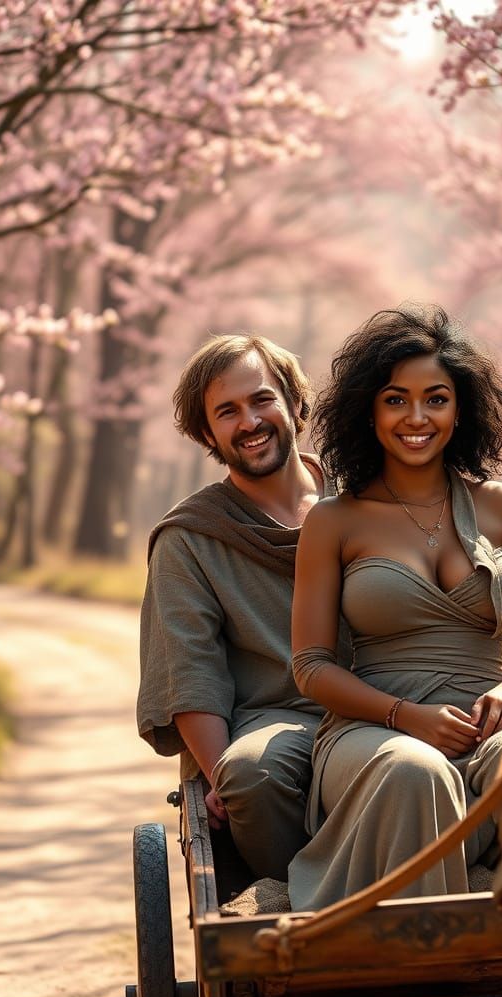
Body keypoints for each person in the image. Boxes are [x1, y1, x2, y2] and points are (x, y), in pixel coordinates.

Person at [288, 304, 502, 936]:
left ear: (461, 408)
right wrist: (405, 718)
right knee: (417, 771)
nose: (417, 418)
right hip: (372, 735)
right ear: (370, 410)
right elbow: (309, 666)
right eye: (396, 400)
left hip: (482, 723)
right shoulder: (334, 520)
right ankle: (420, 991)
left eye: (435, 399)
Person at [137, 333, 346, 882]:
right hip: (270, 722)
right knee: (251, 774)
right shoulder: (190, 538)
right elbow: (189, 669)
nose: (249, 422)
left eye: (261, 400)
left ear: (295, 404)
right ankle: (297, 911)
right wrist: (219, 773)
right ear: (208, 433)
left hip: (386, 699)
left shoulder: (363, 499)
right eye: (227, 412)